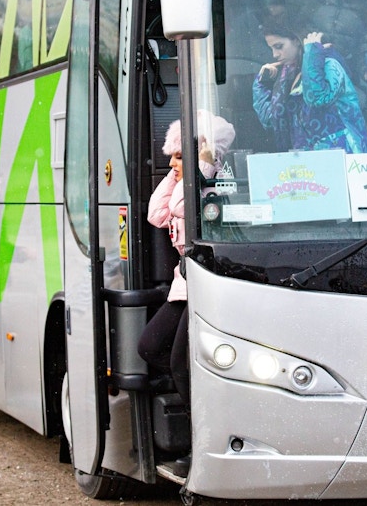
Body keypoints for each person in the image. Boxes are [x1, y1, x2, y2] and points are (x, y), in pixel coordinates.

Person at [137, 110, 235, 476]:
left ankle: (203, 444)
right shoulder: (185, 182)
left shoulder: (213, 184)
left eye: (180, 155)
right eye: (172, 156)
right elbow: (157, 214)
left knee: (180, 363)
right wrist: (177, 172)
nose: (173, 162)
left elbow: (181, 208)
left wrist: (200, 170)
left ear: (204, 156)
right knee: (151, 346)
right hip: (184, 284)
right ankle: (206, 391)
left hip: (207, 286)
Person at [252, 21, 367, 153]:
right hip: (307, 161)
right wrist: (261, 84)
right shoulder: (287, 75)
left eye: (279, 46)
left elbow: (317, 98)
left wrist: (312, 54)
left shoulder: (329, 64)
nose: (275, 54)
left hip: (342, 154)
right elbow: (272, 121)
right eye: (271, 48)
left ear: (297, 40)